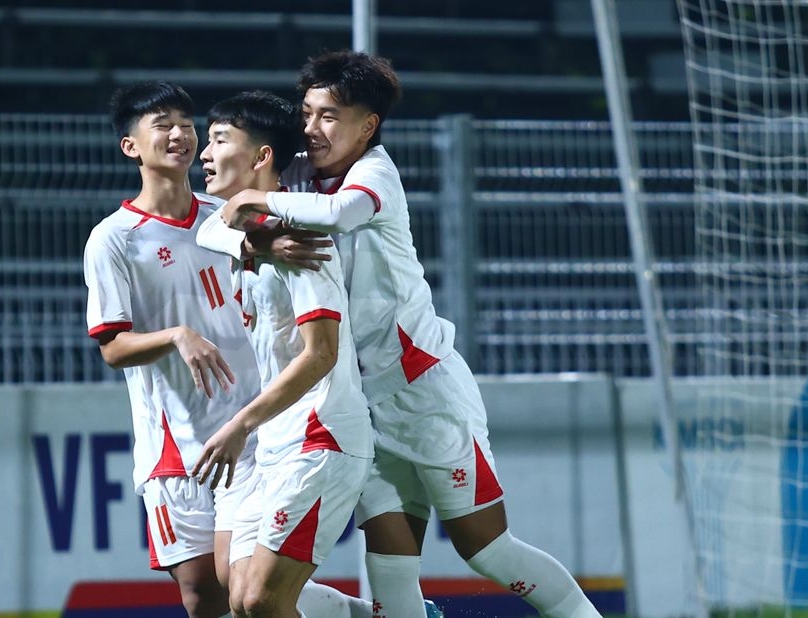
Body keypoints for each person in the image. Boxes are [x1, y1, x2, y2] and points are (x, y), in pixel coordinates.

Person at [211, 52, 603, 618]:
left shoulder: (375, 172)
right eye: (307, 113)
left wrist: (260, 203)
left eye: (329, 116)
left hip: (424, 392)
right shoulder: (295, 172)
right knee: (390, 564)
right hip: (361, 404)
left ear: (367, 125)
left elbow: (343, 213)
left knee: (487, 551)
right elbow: (211, 221)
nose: (312, 129)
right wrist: (254, 243)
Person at [83, 81, 271, 618]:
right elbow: (113, 347)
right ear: (131, 146)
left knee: (254, 591)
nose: (180, 134)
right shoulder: (114, 238)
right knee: (202, 597)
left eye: (187, 123)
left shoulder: (229, 214)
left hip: (254, 432)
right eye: (162, 123)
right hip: (176, 447)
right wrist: (175, 335)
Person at [192, 90, 374, 617]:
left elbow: (320, 355)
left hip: (321, 435)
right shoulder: (249, 238)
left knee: (262, 600)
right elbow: (213, 226)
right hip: (278, 440)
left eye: (220, 140)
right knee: (241, 595)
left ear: (262, 157)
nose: (205, 154)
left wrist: (240, 424)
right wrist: (252, 243)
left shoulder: (301, 240)